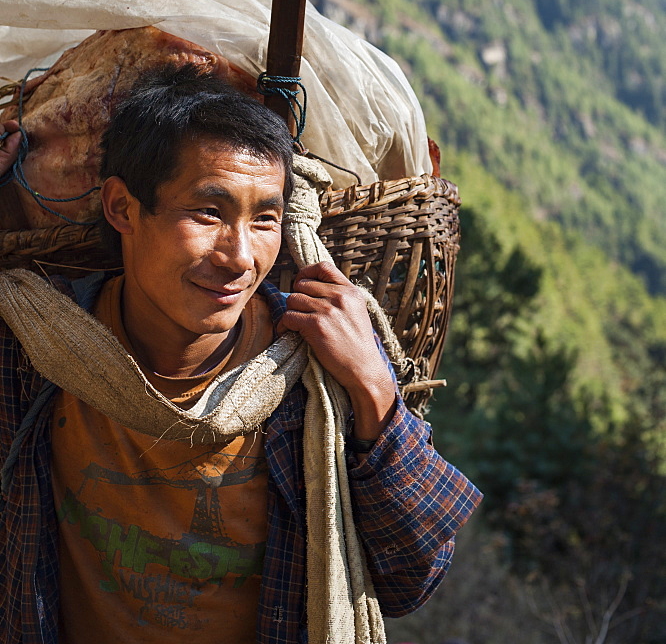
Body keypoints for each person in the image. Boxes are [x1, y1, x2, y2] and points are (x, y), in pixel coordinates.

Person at [0, 64, 481, 644]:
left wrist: (375, 389)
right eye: (208, 213)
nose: (239, 256)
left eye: (265, 220)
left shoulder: (311, 377)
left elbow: (412, 581)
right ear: (122, 209)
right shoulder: (40, 344)